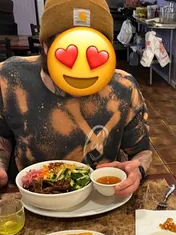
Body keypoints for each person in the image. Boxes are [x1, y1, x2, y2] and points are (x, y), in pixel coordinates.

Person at [0, 0, 152, 197]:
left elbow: (143, 152)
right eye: (70, 51)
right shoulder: (10, 79)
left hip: (99, 200)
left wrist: (137, 169)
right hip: (29, 201)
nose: (82, 67)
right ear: (45, 45)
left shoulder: (123, 87)